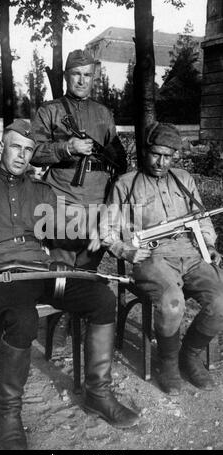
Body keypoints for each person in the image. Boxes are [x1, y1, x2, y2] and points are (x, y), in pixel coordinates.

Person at [0, 119, 139, 451]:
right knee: (22, 319)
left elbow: (62, 229)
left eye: (28, 150)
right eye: (15, 147)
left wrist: (92, 234)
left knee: (100, 299)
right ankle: (8, 413)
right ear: (1, 148)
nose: (22, 155)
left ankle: (98, 394)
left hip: (41, 272)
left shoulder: (41, 191)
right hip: (2, 276)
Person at [100, 121, 223, 396]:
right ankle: (167, 361)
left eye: (168, 156)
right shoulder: (125, 184)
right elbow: (106, 231)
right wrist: (126, 251)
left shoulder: (184, 179)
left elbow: (200, 219)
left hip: (190, 254)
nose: (160, 162)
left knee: (221, 299)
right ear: (145, 151)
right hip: (151, 257)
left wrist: (210, 246)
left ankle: (189, 355)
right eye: (156, 154)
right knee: (172, 302)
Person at [31, 48, 127, 269]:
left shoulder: (103, 113)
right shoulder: (50, 111)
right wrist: (66, 148)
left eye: (87, 75)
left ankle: (83, 297)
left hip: (98, 199)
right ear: (66, 76)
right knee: (61, 264)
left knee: (89, 266)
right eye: (76, 74)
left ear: (94, 77)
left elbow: (118, 158)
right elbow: (34, 153)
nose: (82, 81)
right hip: (62, 198)